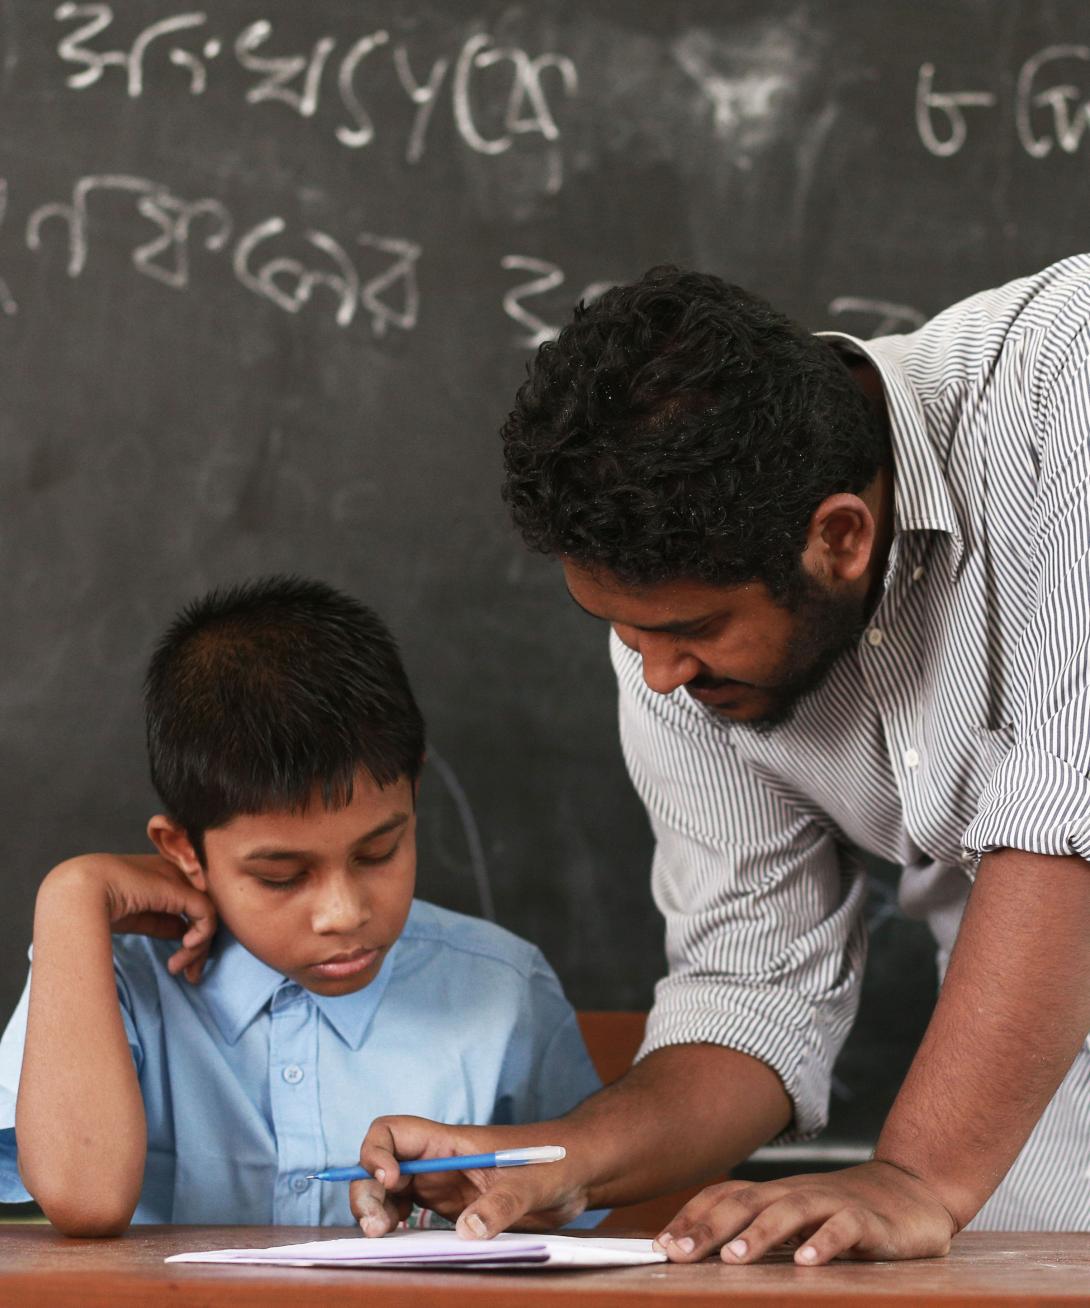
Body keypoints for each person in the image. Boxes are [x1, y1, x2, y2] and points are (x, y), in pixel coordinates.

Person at [350, 257, 1090, 1263]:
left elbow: (1066, 820)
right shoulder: (679, 655)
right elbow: (754, 986)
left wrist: (916, 1174)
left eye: (690, 629)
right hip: (1029, 1097)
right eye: (622, 632)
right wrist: (565, 1155)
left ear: (840, 537)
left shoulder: (1067, 384)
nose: (655, 675)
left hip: (975, 1124)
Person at [0, 575, 601, 1236]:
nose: (343, 912)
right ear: (185, 852)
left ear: (413, 793)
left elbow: (571, 1208)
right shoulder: (110, 978)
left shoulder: (503, 986)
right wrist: (70, 894)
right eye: (282, 877)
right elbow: (85, 1201)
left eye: (378, 854)